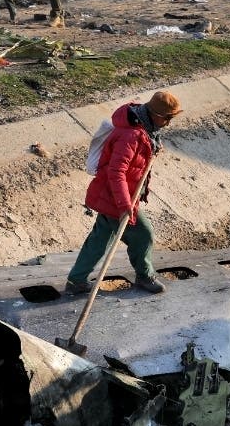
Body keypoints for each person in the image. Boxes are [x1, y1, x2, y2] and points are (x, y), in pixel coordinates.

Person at [65, 91, 182, 297]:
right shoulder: (131, 136)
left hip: (117, 195)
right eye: (167, 118)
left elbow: (139, 155)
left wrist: (153, 149)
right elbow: (116, 171)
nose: (168, 123)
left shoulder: (144, 128)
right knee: (143, 234)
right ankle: (144, 276)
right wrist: (124, 204)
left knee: (100, 238)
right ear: (155, 115)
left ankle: (76, 280)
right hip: (115, 196)